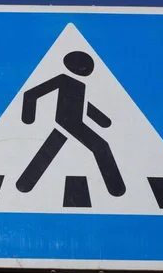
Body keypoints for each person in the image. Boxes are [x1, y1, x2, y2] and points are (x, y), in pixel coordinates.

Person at [16, 50, 126, 197]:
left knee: (49, 149)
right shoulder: (63, 79)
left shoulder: (80, 85)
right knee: (100, 146)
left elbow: (84, 106)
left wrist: (102, 121)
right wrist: (28, 117)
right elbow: (32, 94)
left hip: (71, 122)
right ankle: (117, 189)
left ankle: (24, 184)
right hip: (68, 122)